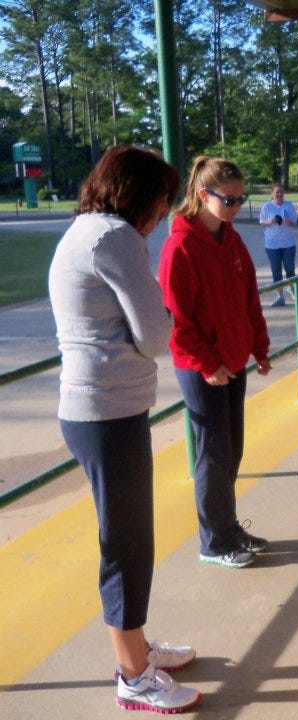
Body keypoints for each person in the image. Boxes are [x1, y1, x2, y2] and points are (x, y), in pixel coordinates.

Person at [48, 145, 200, 713]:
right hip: (106, 414)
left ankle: (137, 647)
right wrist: (162, 315)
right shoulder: (114, 237)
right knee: (127, 546)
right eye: (162, 199)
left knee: (130, 540)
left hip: (99, 411)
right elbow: (156, 335)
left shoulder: (85, 230)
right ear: (140, 195)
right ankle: (133, 676)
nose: (163, 212)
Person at [158, 156, 272, 569]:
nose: (238, 208)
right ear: (203, 195)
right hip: (201, 367)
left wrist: (259, 347)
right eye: (230, 200)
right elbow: (178, 321)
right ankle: (214, 540)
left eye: (243, 199)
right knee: (213, 454)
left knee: (233, 449)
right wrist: (208, 364)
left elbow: (248, 300)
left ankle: (228, 527)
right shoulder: (181, 246)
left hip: (233, 359)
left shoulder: (231, 238)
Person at [259, 183, 298, 307]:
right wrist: (270, 221)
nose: (279, 194)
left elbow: (295, 223)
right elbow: (261, 222)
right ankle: (280, 296)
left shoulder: (289, 205)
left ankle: (292, 290)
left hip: (288, 243)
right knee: (276, 271)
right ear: (272, 193)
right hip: (272, 245)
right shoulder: (267, 206)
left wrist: (288, 221)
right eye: (277, 192)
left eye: (281, 192)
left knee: (290, 269)